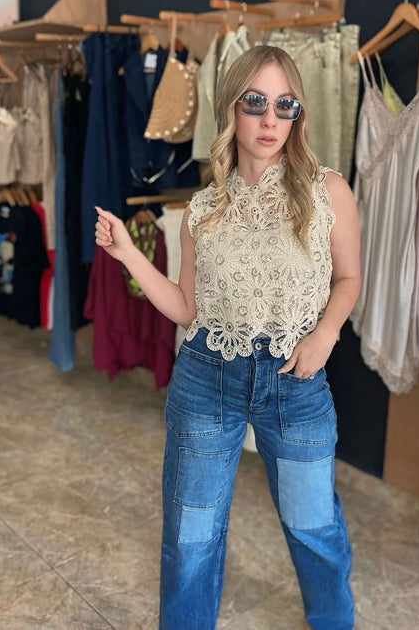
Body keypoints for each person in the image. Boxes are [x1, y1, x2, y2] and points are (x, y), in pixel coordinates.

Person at [95, 44, 361, 630]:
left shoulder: (328, 191)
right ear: (231, 108)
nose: (270, 120)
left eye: (285, 105)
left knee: (314, 526)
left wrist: (326, 334)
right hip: (207, 376)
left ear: (297, 114)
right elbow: (186, 308)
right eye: (255, 102)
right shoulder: (203, 208)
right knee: (190, 534)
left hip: (297, 380)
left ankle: (332, 621)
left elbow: (348, 278)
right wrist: (129, 254)